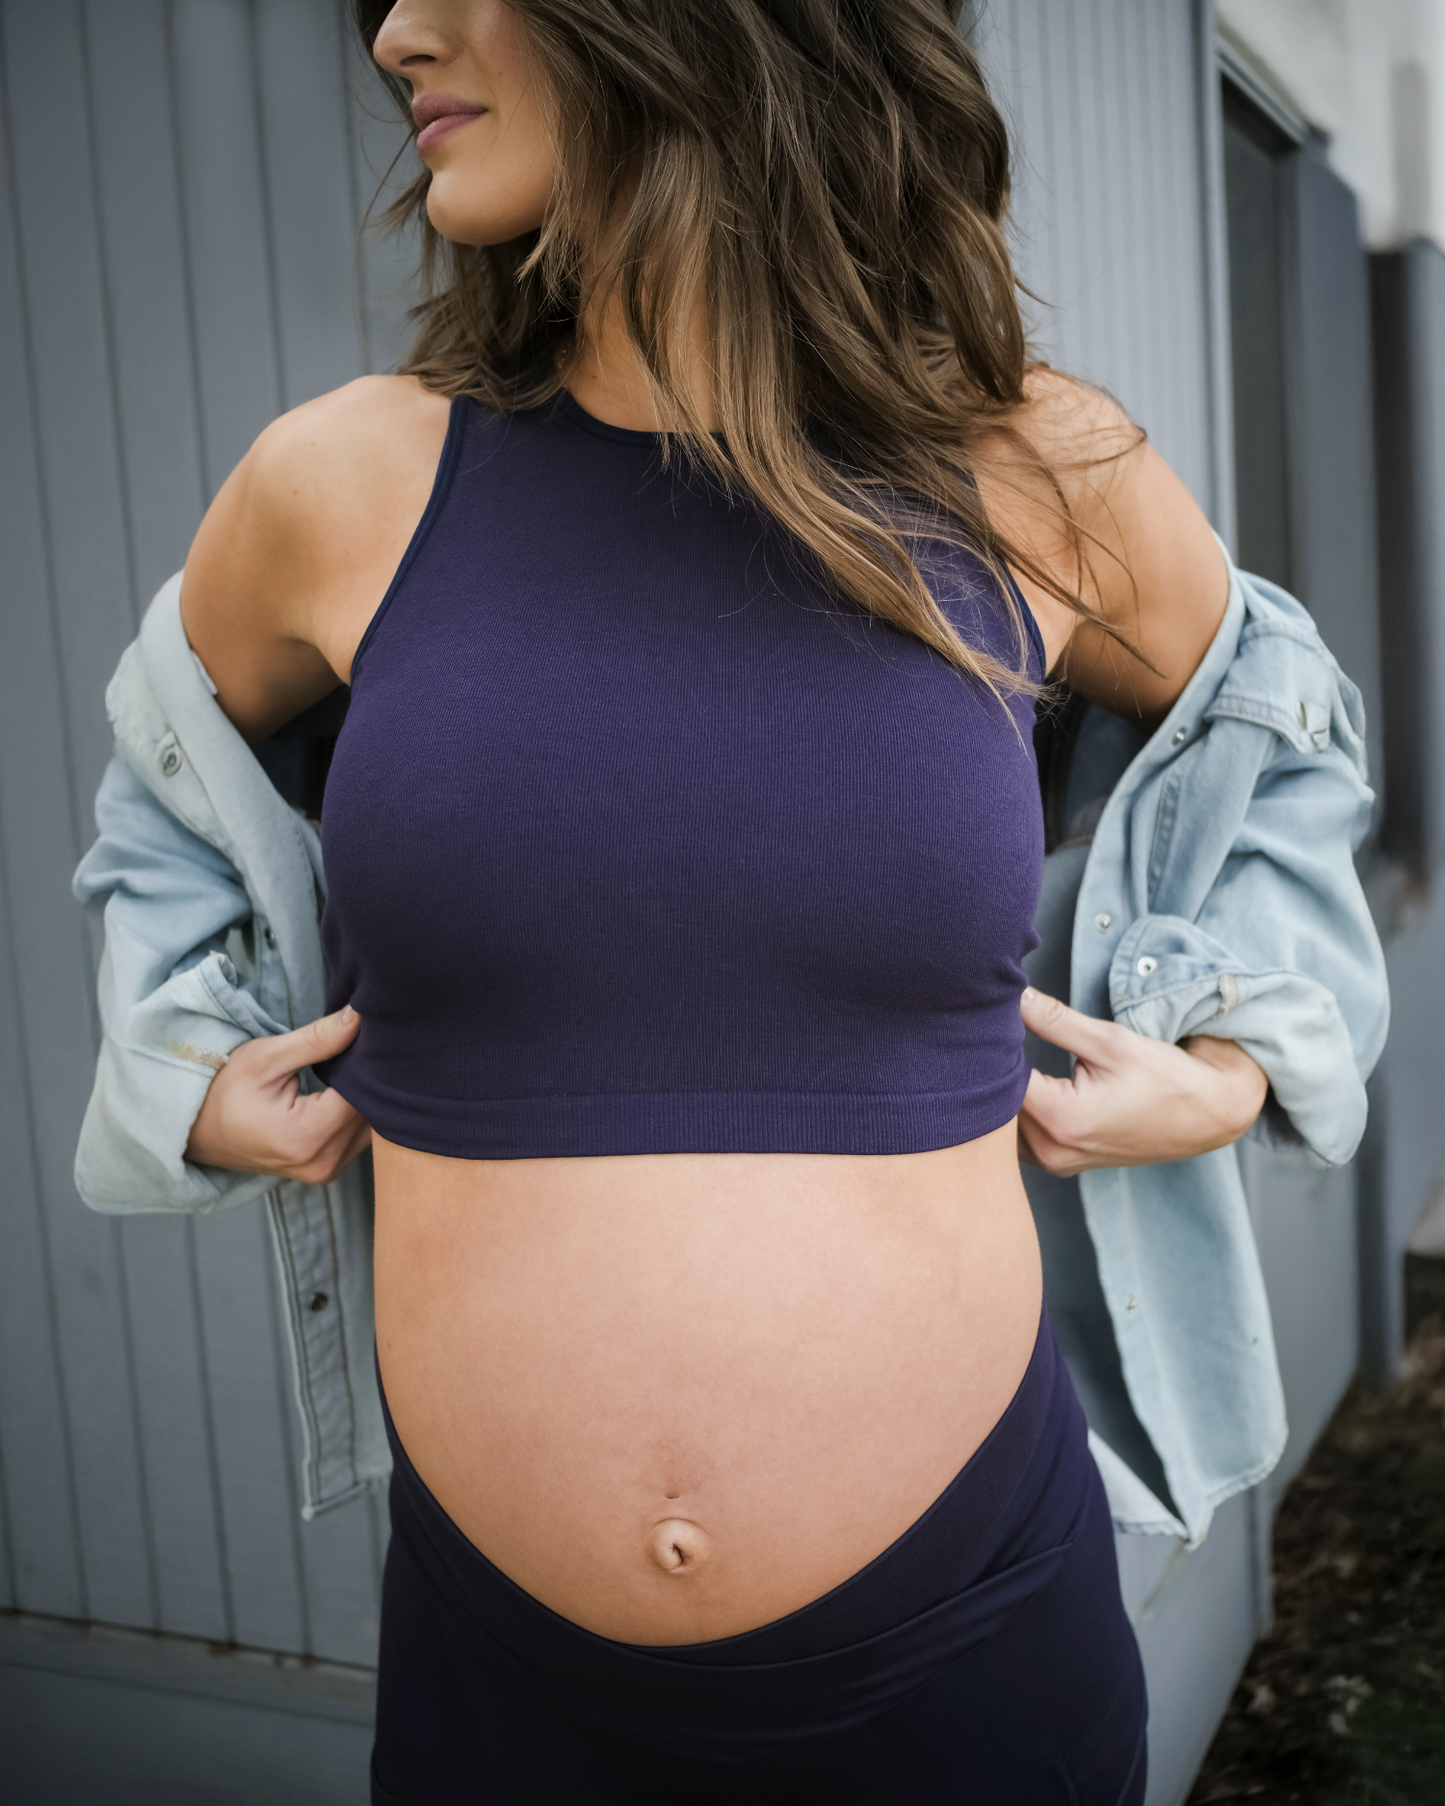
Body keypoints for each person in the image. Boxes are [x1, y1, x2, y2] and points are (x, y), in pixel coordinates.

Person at [69, 2, 1388, 1802]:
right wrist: (180, 1058)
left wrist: (1233, 1054)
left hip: (966, 1659)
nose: (392, 32)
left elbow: (1280, 726)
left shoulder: (1026, 470)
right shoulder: (341, 485)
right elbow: (161, 791)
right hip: (501, 1687)